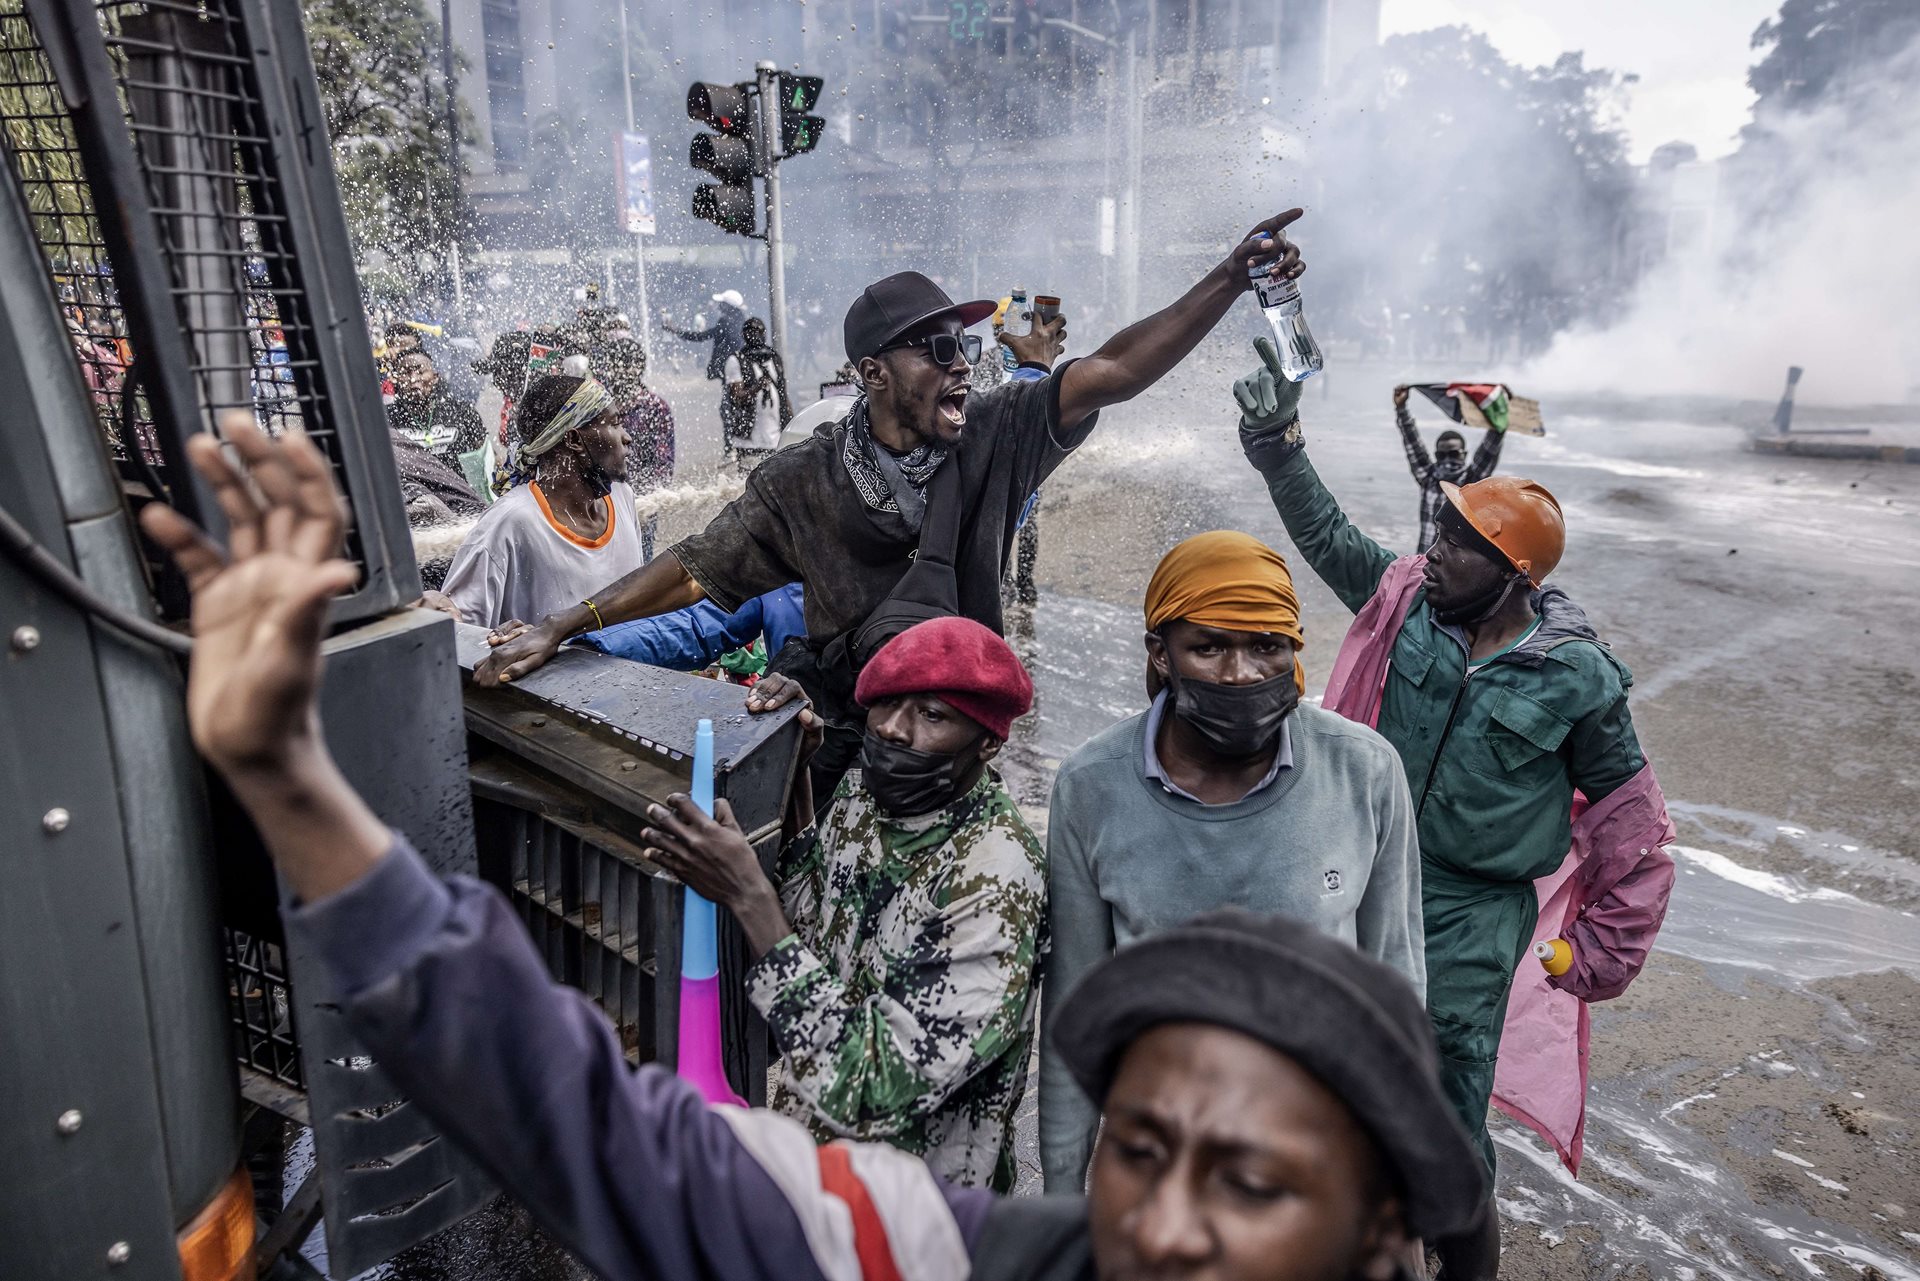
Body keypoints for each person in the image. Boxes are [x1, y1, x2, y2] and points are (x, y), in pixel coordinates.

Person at [134, 425, 1487, 1281]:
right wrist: (292, 780)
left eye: (1253, 1180)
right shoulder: (957, 1252)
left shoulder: (1004, 868)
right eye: (1142, 1149)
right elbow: (598, 1127)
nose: (1170, 1226)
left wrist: (754, 909)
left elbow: (865, 1067)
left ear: (1379, 1231)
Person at [475, 211, 1310, 790]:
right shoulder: (802, 479)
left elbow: (1116, 371)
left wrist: (1231, 278)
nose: (960, 361)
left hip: (964, 744)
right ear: (873, 373)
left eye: (967, 345)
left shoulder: (994, 431)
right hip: (850, 748)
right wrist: (562, 627)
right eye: (937, 347)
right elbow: (694, 571)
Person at [1232, 338, 1675, 1279]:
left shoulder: (1578, 678)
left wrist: (1598, 952)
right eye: (1438, 537)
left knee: (1442, 1102)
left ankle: (1464, 1260)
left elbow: (1634, 830)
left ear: (1516, 575)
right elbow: (1330, 537)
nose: (1434, 553)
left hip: (1477, 911)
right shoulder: (1405, 604)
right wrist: (1277, 442)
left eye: (1460, 547)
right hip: (1365, 873)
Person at [1039, 530, 1422, 1193]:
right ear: (1161, 653)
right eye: (1209, 647)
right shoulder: (1091, 786)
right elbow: (1072, 1008)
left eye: (1266, 646)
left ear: (1294, 648)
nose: (1240, 673)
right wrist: (1064, 1199)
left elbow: (1396, 979)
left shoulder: (1364, 771)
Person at [640, 616, 1044, 1190]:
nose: (895, 730)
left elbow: (873, 1087)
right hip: (814, 1171)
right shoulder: (867, 792)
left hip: (914, 1213)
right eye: (885, 704)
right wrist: (797, 766)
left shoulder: (994, 878)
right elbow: (814, 920)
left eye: (932, 715)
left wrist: (746, 891)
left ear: (987, 741)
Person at [440, 374, 644, 630]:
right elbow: (462, 636)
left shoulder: (622, 497)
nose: (627, 437)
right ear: (573, 440)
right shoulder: (509, 522)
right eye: (614, 424)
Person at [594, 336, 676, 560]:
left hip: (642, 499)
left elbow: (664, 461)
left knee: (639, 560)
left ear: (639, 367)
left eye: (625, 364)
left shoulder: (654, 407)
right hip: (602, 497)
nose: (620, 371)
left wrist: (648, 499)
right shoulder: (599, 406)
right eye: (614, 364)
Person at [1393, 385, 1503, 551]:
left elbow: (1489, 448)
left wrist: (1499, 415)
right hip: (1424, 563)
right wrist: (1401, 408)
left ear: (1464, 455)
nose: (1447, 460)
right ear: (1436, 456)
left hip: (1458, 569)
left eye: (1453, 454)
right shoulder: (1428, 479)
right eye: (1442, 455)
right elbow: (1412, 441)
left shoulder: (1471, 483)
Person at [387, 348, 486, 462]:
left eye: (420, 371)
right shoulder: (387, 418)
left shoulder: (461, 411)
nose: (413, 379)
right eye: (405, 373)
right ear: (397, 379)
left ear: (435, 377)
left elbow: (485, 455)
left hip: (455, 479)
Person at [721, 317, 792, 460]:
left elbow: (783, 394)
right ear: (744, 335)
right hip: (748, 440)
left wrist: (791, 425)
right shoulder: (736, 361)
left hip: (775, 438)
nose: (754, 335)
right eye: (750, 331)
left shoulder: (773, 358)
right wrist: (757, 387)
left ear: (764, 333)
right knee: (748, 480)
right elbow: (736, 397)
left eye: (758, 330)